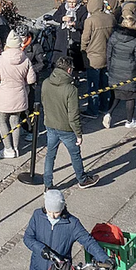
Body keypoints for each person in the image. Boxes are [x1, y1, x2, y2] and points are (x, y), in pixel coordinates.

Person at [41, 56, 99, 190]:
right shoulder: (71, 89)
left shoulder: (46, 83)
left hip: (50, 124)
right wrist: (79, 134)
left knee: (50, 155)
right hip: (66, 128)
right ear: (68, 70)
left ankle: (48, 185)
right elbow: (73, 115)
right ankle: (82, 179)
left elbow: (44, 103)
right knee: (75, 154)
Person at [0, 30, 37, 159]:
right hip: (19, 96)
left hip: (4, 96)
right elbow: (31, 79)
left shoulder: (0, 60)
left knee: (2, 121)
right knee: (15, 122)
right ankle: (16, 148)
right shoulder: (25, 59)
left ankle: (8, 149)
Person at [102, 14, 136, 129]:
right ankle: (129, 121)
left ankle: (109, 113)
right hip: (130, 72)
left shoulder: (114, 36)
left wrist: (110, 68)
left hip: (115, 69)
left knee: (116, 94)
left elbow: (109, 54)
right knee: (130, 96)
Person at [81, 0, 113, 117]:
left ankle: (92, 110)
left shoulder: (90, 21)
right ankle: (104, 107)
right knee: (105, 84)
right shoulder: (111, 18)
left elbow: (85, 39)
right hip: (107, 56)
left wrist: (83, 52)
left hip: (93, 58)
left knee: (93, 86)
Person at [53, 0, 88, 71]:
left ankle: (76, 71)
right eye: (69, 2)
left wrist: (75, 24)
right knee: (60, 53)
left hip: (75, 36)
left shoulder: (82, 9)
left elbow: (84, 24)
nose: (71, 4)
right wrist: (62, 18)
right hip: (63, 35)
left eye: (73, 2)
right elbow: (55, 17)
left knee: (75, 55)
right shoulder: (63, 7)